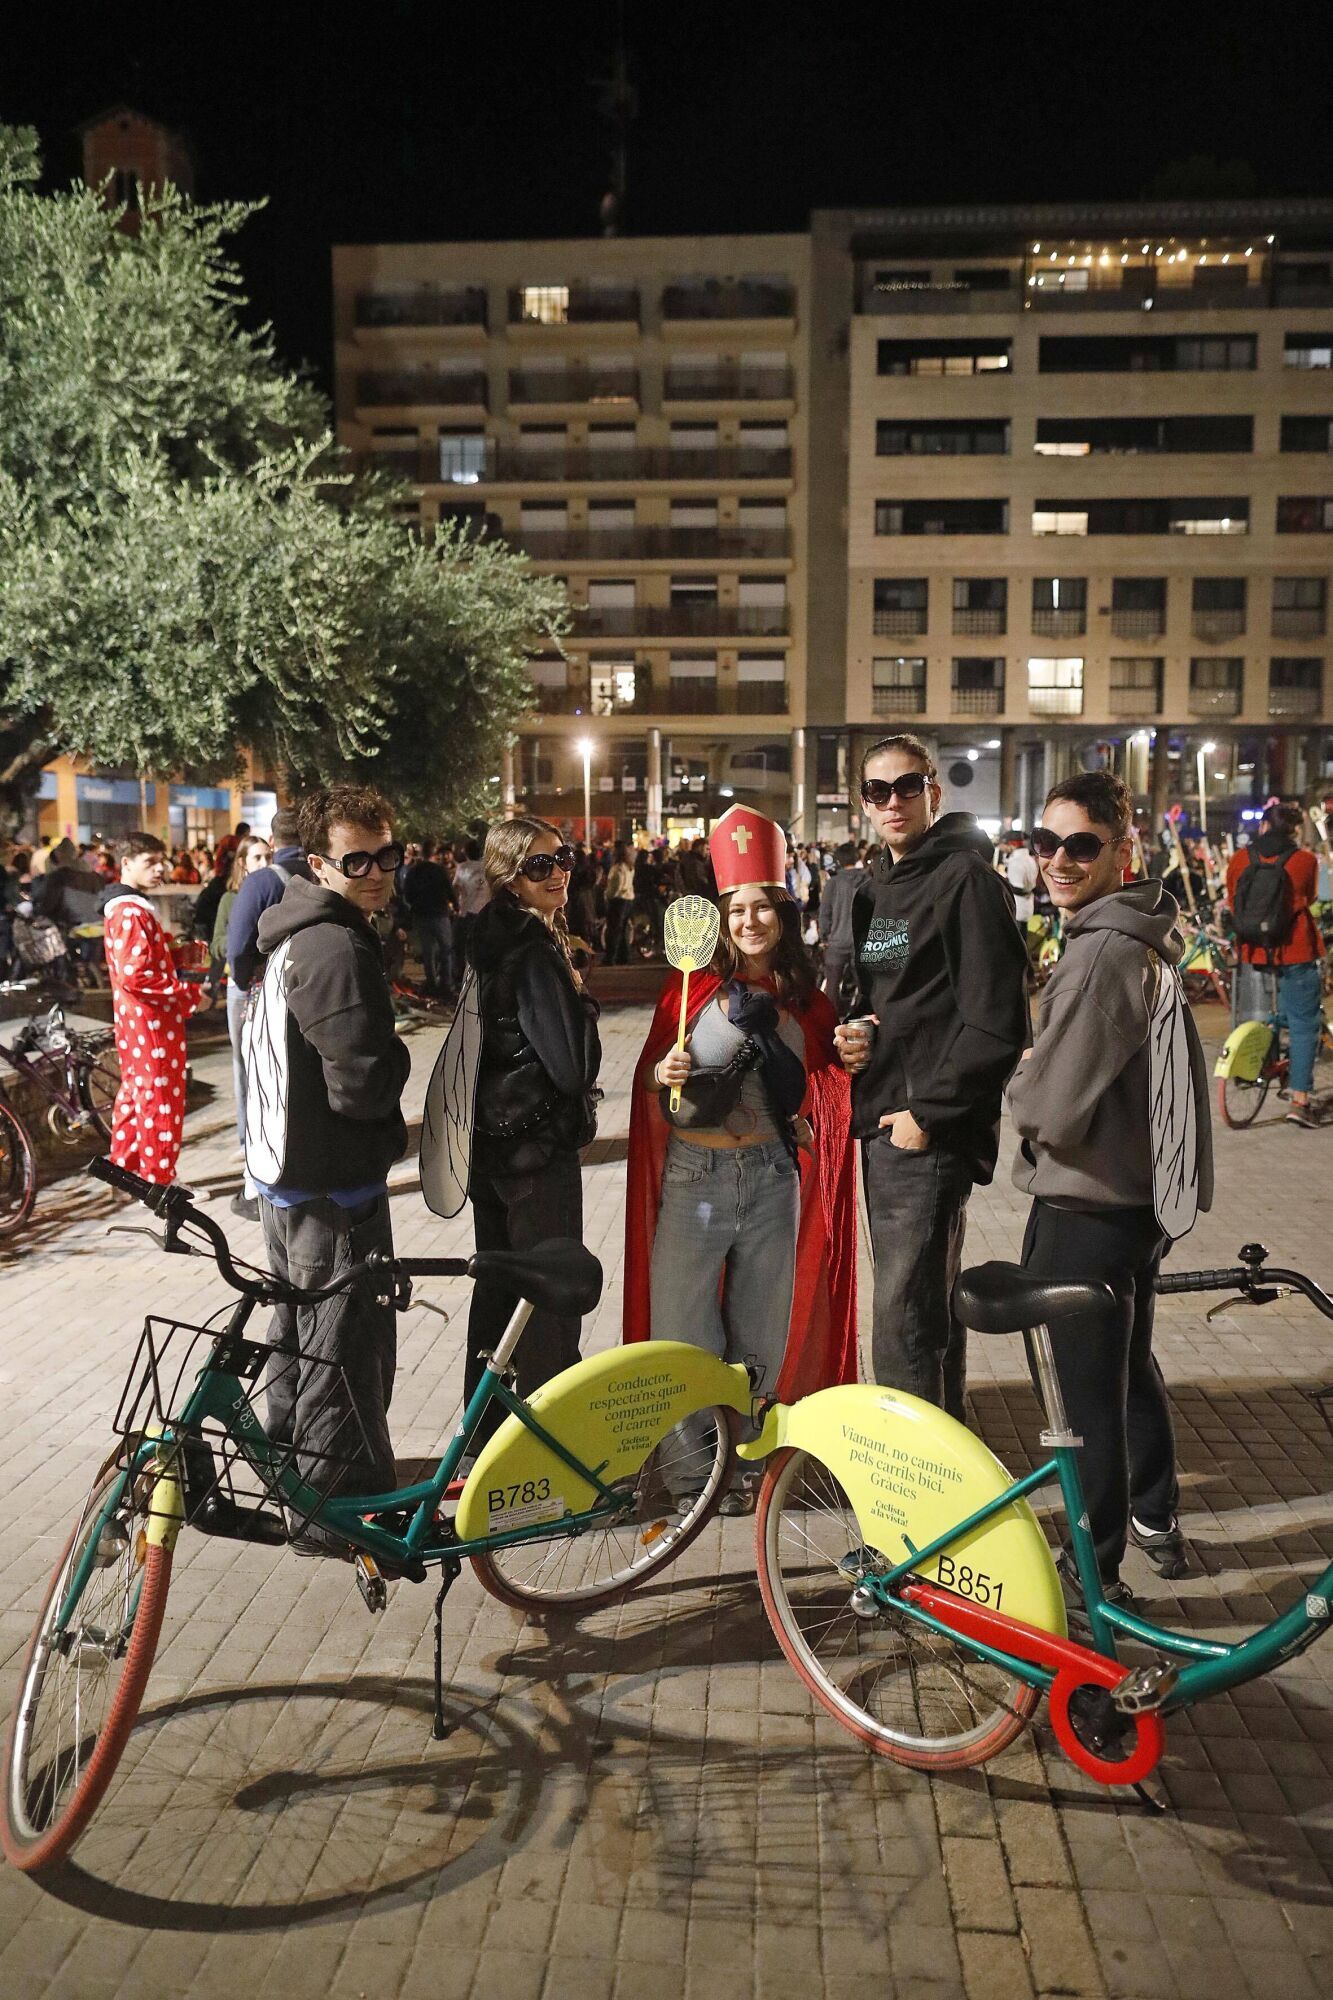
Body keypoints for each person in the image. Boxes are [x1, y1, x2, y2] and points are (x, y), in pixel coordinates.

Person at [1007, 771, 1214, 1600]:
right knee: (1125, 1369)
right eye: (1044, 842)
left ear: (1120, 851)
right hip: (1137, 1202)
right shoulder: (1141, 935)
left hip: (1085, 1204)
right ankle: (1153, 1514)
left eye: (1079, 845)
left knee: (1083, 1399)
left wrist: (1025, 1079)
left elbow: (1048, 1108)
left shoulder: (1100, 954)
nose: (1057, 860)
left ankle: (1092, 1571)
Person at [625, 804, 857, 1500]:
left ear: (782, 914)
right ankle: (692, 1475)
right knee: (682, 1332)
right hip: (694, 1179)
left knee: (759, 1337)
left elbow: (828, 1087)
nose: (750, 921)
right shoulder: (689, 989)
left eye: (762, 908)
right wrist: (659, 1072)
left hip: (771, 1181)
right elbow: (649, 1080)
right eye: (736, 911)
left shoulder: (807, 1001)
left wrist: (822, 1102)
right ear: (720, 921)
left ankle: (749, 1464)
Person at [836, 733, 1028, 1421]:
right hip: (886, 1121)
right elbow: (895, 996)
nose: (893, 801)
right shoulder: (880, 885)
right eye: (877, 791)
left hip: (923, 1133)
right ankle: (946, 1465)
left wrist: (928, 1114)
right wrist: (861, 1031)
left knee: (902, 1325)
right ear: (863, 803)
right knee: (924, 1312)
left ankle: (910, 1482)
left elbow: (998, 1023)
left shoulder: (964, 880)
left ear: (932, 793)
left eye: (907, 786)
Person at [242, 784, 411, 1544]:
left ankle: (295, 1484)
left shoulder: (297, 931)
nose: (376, 872)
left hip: (290, 1182)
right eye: (357, 860)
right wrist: (398, 1056)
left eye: (386, 855)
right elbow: (363, 1084)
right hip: (333, 1189)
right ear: (319, 864)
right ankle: (339, 1514)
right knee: (341, 1354)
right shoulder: (335, 946)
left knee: (298, 1338)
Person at [456, 817, 602, 1448]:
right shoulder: (534, 952)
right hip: (535, 1153)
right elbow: (572, 1067)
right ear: (509, 877)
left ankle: (482, 1441)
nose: (558, 872)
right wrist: (583, 1001)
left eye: (563, 859)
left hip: (493, 1148)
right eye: (539, 865)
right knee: (546, 1307)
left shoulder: (490, 939)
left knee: (497, 1298)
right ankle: (551, 1449)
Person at [103, 832, 211, 1184]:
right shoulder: (131, 912)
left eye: (160, 861)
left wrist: (174, 955)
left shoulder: (125, 908)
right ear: (126, 864)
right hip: (152, 1025)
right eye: (150, 862)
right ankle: (160, 1181)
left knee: (137, 1096)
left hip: (137, 1023)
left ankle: (126, 1171)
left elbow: (138, 969)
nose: (159, 869)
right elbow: (137, 976)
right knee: (160, 1100)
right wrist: (189, 996)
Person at [1226, 802, 1324, 1128]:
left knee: (1257, 1013)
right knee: (1303, 1023)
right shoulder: (1306, 860)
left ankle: (1252, 1067)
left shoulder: (1240, 859)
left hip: (1253, 951)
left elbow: (1233, 901)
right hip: (1296, 950)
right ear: (1295, 830)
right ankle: (1300, 1100)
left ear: (1264, 826)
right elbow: (1309, 898)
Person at [212, 833, 274, 1219]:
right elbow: (219, 942)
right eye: (257, 857)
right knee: (243, 1067)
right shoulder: (230, 899)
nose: (264, 863)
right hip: (241, 987)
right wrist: (239, 950)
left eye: (267, 855)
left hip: (268, 984)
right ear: (242, 863)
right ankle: (245, 1139)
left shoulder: (275, 889)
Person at [401, 837, 458, 998]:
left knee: (428, 952)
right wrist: (455, 905)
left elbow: (407, 893)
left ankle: (432, 983)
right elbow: (449, 890)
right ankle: (446, 985)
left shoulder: (414, 871)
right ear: (435, 853)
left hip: (421, 915)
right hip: (440, 914)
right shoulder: (439, 871)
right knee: (446, 950)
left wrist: (415, 905)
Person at [816, 840, 865, 1017]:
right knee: (865, 985)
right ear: (857, 858)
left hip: (836, 942)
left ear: (838, 861)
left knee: (832, 985)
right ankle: (861, 1018)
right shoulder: (867, 881)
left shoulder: (833, 883)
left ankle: (832, 1020)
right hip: (862, 942)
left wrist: (824, 937)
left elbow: (825, 913)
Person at [452, 837, 489, 989]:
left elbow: (456, 888)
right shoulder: (488, 868)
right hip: (485, 914)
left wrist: (456, 906)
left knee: (460, 947)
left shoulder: (462, 867)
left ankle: (461, 980)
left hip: (467, 913)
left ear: (466, 852)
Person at [603, 840, 636, 964]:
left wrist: (608, 895)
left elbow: (616, 886)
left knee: (613, 930)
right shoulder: (629, 866)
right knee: (623, 930)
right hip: (628, 899)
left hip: (618, 901)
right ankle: (624, 956)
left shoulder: (618, 868)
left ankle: (610, 958)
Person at [1005, 834, 1039, 925]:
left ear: (1012, 844)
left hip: (1018, 907)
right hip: (1027, 907)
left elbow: (1018, 889)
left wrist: (1003, 883)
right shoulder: (1030, 859)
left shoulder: (1017, 862)